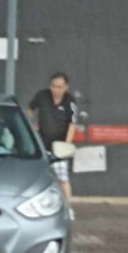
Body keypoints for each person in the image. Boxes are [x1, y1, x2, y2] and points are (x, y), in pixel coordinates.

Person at [29, 73, 78, 216]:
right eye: (53, 86)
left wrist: (66, 145)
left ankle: (68, 208)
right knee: (39, 177)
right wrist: (32, 126)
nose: (55, 89)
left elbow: (72, 124)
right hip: (41, 144)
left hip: (59, 147)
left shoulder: (70, 102)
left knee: (63, 179)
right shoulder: (42, 96)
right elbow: (30, 108)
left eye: (59, 87)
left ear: (66, 87)